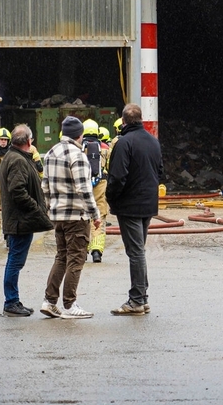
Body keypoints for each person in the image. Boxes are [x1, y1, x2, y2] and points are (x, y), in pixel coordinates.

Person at [40, 116, 101, 320]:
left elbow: (45, 187)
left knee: (61, 256)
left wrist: (52, 208)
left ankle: (49, 302)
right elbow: (84, 189)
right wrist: (95, 214)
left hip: (58, 215)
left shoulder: (50, 153)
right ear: (79, 134)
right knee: (76, 259)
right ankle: (70, 304)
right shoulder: (78, 155)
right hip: (77, 215)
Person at [105, 103, 163, 316]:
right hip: (148, 204)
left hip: (129, 205)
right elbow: (160, 172)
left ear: (123, 121)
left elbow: (117, 176)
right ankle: (142, 298)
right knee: (138, 250)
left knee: (135, 251)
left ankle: (136, 299)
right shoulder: (153, 142)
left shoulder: (124, 143)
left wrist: (111, 198)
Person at [0, 124, 53, 317]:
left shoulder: (13, 157)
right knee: (15, 261)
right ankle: (11, 302)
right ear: (29, 141)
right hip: (20, 221)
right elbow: (17, 191)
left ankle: (13, 300)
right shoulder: (18, 161)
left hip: (18, 220)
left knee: (15, 261)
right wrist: (36, 208)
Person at [82, 119, 110, 263]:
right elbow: (111, 168)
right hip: (101, 186)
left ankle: (82, 249)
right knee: (99, 218)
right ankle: (97, 251)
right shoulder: (105, 148)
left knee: (84, 218)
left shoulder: (79, 148)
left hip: (84, 187)